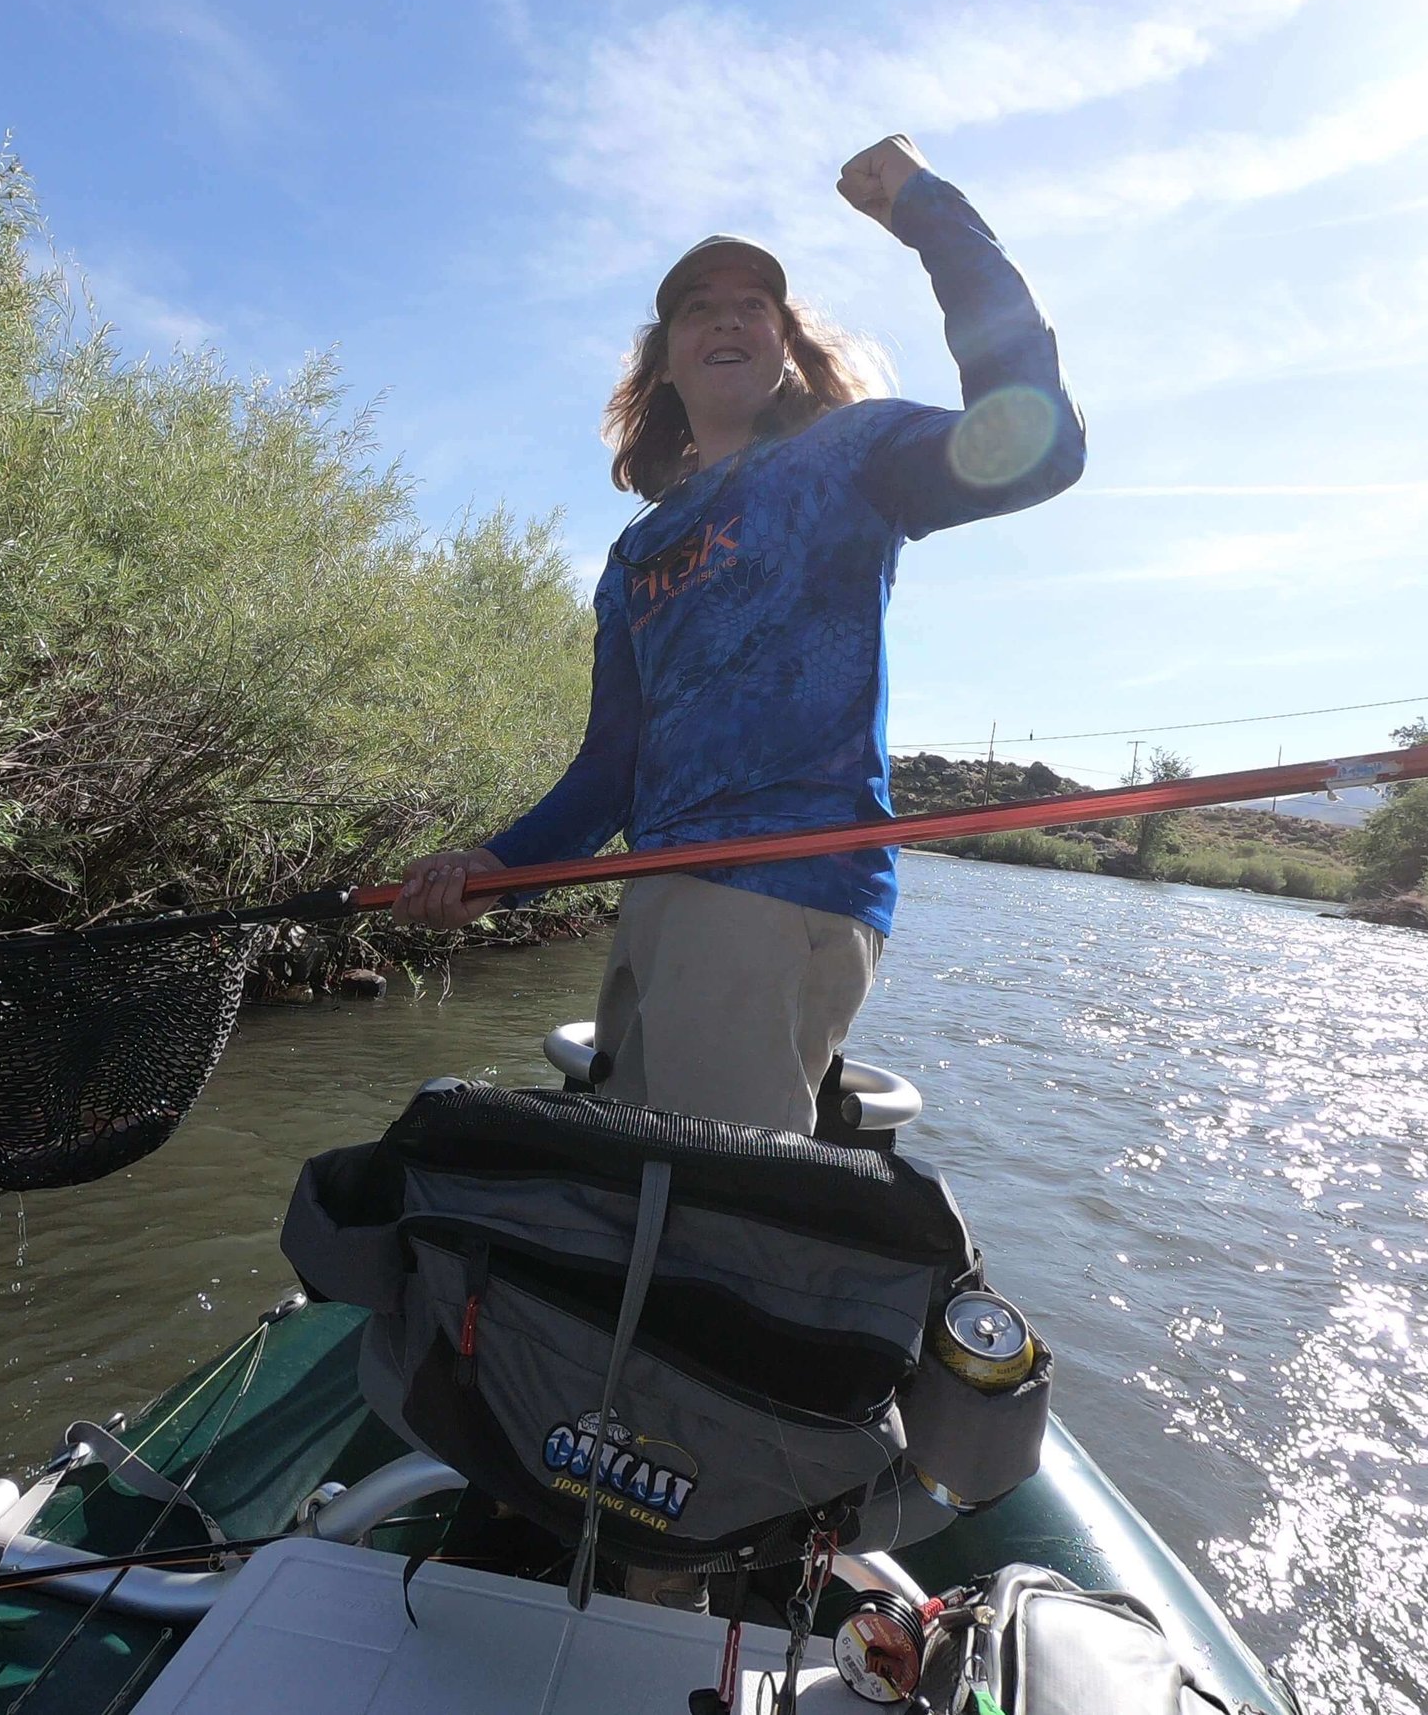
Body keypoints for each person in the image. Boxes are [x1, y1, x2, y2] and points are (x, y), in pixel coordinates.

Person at [395, 134, 1084, 1134]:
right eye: (695, 307)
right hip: (651, 897)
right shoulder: (635, 556)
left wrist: (927, 209)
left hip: (782, 888)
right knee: (631, 1201)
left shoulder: (853, 456)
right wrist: (498, 871)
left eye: (751, 305)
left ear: (785, 347)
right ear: (665, 362)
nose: (725, 316)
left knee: (707, 1224)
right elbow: (609, 768)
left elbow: (1042, 445)